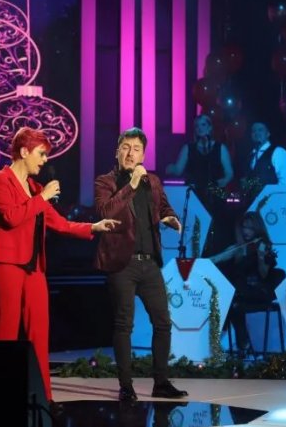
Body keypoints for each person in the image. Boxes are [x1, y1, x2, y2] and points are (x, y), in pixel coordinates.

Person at [0, 127, 120, 410]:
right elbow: (11, 218)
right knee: (7, 328)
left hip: (34, 267)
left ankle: (44, 397)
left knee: (39, 331)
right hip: (7, 262)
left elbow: (59, 223)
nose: (45, 160)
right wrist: (43, 197)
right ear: (24, 151)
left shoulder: (35, 189)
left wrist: (92, 227)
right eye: (41, 153)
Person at [94, 127, 188, 402]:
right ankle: (126, 386)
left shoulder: (153, 181)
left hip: (150, 263)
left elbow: (163, 207)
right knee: (124, 324)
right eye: (125, 147)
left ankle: (161, 382)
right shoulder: (105, 181)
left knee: (163, 323)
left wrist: (170, 218)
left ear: (143, 155)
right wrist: (131, 184)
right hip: (121, 264)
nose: (130, 153)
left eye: (136, 149)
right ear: (117, 151)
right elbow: (105, 212)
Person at [208, 212, 285, 357]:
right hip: (241, 291)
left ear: (257, 229)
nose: (246, 231)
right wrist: (202, 262)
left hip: (256, 291)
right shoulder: (240, 247)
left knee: (232, 305)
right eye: (244, 227)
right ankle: (239, 343)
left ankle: (225, 344)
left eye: (250, 228)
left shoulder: (263, 245)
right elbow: (219, 258)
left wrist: (261, 258)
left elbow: (264, 274)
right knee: (226, 303)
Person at [165, 114, 234, 194]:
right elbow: (178, 170)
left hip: (215, 191)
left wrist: (225, 180)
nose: (200, 128)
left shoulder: (220, 148)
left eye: (203, 125)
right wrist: (170, 168)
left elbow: (229, 172)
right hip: (194, 191)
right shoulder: (188, 148)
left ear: (210, 127)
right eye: (197, 126)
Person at [242, 121, 286, 186]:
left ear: (268, 133)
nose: (256, 133)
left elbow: (284, 181)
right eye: (253, 131)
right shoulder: (251, 155)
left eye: (260, 130)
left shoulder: (278, 151)